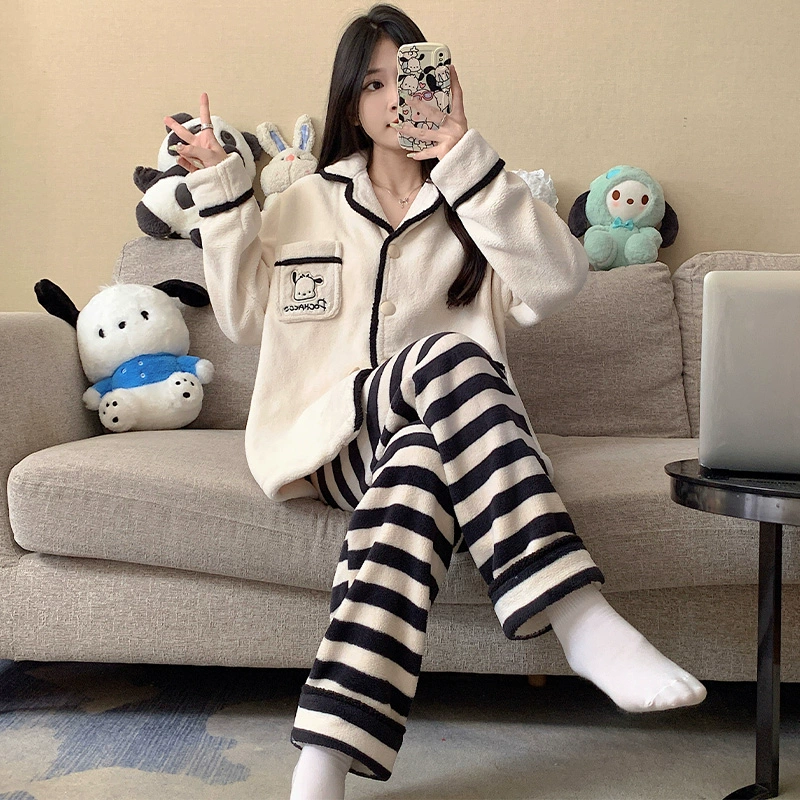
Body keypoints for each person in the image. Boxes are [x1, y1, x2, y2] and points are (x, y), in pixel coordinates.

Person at [164, 5, 706, 798]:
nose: (393, 99)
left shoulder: (479, 195)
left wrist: (464, 160)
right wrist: (221, 191)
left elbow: (560, 282)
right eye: (372, 83)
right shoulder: (304, 202)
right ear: (349, 100)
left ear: (440, 85)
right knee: (452, 353)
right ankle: (579, 617)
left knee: (418, 463)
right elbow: (242, 320)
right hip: (327, 443)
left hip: (444, 446)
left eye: (408, 79)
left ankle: (323, 760)